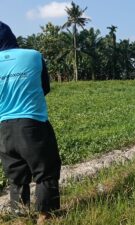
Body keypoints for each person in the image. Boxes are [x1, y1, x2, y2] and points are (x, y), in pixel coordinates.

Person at [0, 21, 61, 224]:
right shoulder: (33, 55)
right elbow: (45, 87)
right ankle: (45, 216)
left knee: (16, 177)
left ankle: (20, 217)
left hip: (3, 129)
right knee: (46, 171)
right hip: (32, 124)